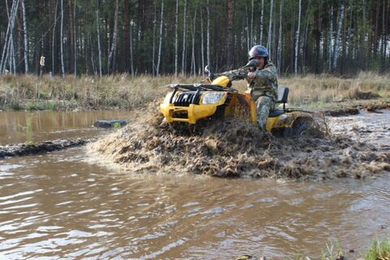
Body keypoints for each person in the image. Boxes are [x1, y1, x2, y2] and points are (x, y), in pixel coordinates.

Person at [219, 45, 279, 132]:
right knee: (234, 98)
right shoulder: (250, 69)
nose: (258, 61)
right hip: (250, 97)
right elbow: (235, 72)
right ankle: (231, 128)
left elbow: (269, 74)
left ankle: (259, 131)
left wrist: (256, 74)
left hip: (268, 99)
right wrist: (218, 76)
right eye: (255, 58)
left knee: (263, 100)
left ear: (265, 59)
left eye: (260, 58)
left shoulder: (270, 68)